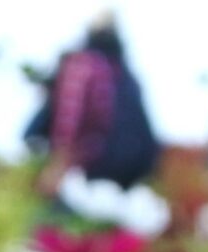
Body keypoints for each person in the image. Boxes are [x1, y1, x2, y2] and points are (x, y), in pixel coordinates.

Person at [41, 16, 160, 192]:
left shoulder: (84, 67)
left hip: (94, 166)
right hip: (132, 168)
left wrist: (59, 165)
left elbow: (70, 120)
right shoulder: (124, 72)